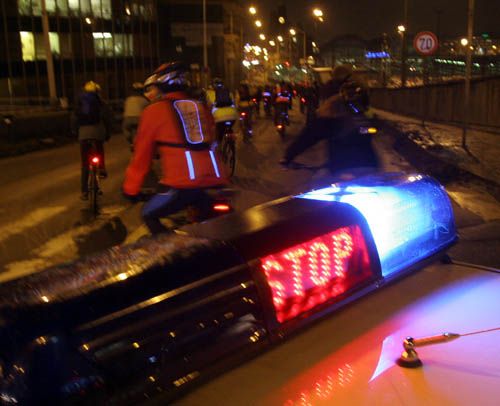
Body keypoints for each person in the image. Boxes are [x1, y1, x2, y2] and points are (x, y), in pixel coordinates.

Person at [123, 62, 229, 234]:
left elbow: (141, 156)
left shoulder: (154, 111)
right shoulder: (199, 106)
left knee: (148, 214)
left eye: (154, 88)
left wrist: (130, 189)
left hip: (182, 185)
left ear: (162, 85)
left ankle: (173, 250)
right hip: (215, 179)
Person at [281, 64, 378, 178]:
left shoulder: (329, 118)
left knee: (318, 182)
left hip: (343, 170)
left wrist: (288, 157)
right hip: (371, 168)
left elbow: (307, 137)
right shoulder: (364, 117)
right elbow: (369, 132)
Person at [75, 80, 112, 200]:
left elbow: (74, 119)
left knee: (85, 163)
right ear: (97, 92)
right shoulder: (102, 103)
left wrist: (75, 132)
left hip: (83, 135)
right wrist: (107, 134)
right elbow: (107, 119)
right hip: (98, 133)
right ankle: (101, 169)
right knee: (99, 151)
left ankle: (84, 192)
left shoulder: (80, 103)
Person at [210, 78, 239, 143]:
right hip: (232, 116)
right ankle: (232, 140)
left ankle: (219, 145)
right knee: (230, 127)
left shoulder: (211, 93)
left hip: (219, 118)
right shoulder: (228, 92)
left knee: (219, 131)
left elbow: (209, 105)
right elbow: (234, 102)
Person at [122, 82, 149, 147]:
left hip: (128, 118)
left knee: (125, 129)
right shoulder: (144, 100)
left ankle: (131, 142)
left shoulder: (128, 99)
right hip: (139, 118)